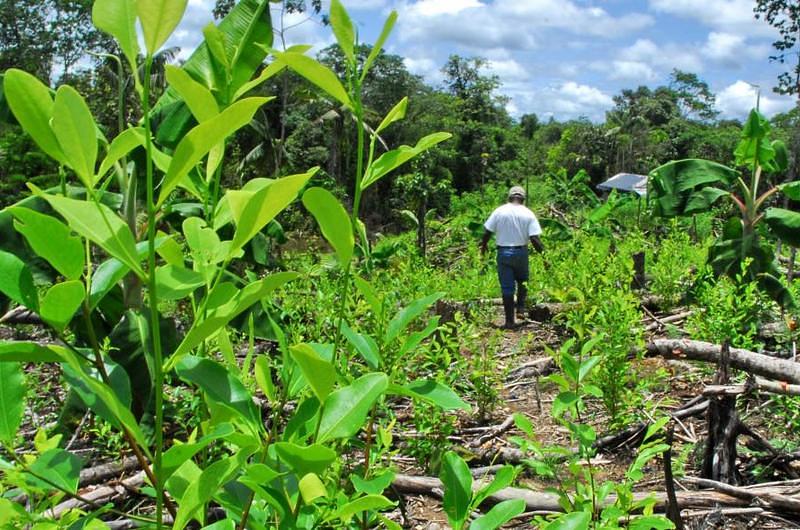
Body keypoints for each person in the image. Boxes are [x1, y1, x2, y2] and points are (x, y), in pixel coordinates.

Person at [480, 185, 544, 329]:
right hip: (521, 252)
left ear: (509, 197)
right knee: (523, 281)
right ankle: (520, 308)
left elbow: (487, 232)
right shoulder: (528, 213)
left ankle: (509, 321)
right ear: (523, 199)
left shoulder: (499, 211)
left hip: (504, 252)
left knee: (507, 288)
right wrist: (545, 257)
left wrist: (483, 249)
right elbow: (534, 239)